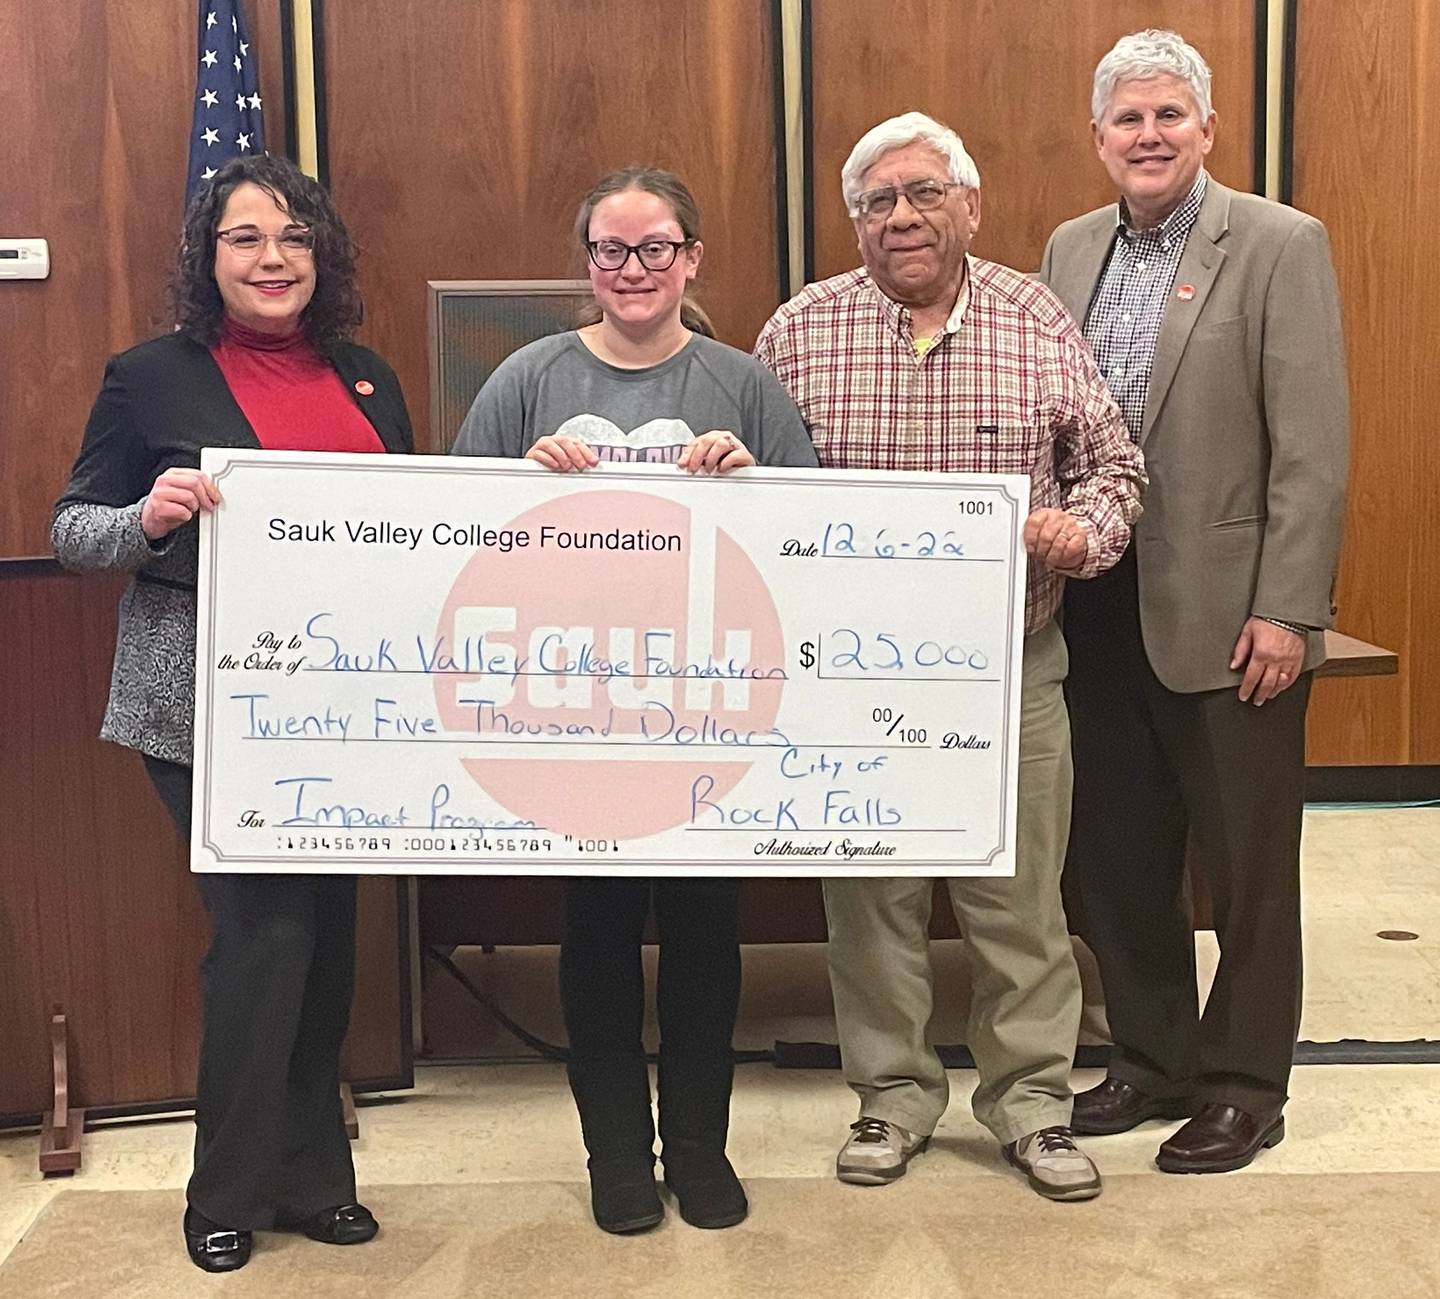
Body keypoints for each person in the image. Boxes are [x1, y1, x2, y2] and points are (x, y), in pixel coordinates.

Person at [756, 112, 1145, 1202]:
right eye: (876, 201)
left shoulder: (1034, 319)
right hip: (850, 686)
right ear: (855, 223)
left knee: (1019, 904)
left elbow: (1114, 467)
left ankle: (1031, 1106)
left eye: (924, 192)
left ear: (968, 205)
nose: (902, 217)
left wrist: (1085, 532)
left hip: (1008, 671)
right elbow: (751, 496)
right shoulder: (798, 333)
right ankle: (891, 1098)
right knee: (869, 907)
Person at [52, 154, 414, 1272]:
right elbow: (74, 531)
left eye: (295, 237)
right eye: (248, 237)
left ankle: (314, 1181)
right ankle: (227, 1191)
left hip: (343, 708)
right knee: (268, 937)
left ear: (323, 256)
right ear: (210, 258)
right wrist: (149, 518)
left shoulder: (367, 379)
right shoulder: (150, 376)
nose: (274, 258)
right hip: (202, 709)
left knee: (331, 941)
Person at [453, 166, 818, 1233]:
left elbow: (811, 540)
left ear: (692, 258)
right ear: (587, 266)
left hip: (711, 709)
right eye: (611, 250)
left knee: (708, 935)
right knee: (598, 936)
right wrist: (524, 484)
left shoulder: (744, 385)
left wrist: (753, 480)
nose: (634, 269)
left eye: (655, 247)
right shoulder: (524, 378)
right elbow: (455, 540)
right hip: (574, 717)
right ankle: (618, 1152)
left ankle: (700, 1147)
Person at [1039, 29, 1349, 1173]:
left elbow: (1312, 447)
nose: (1149, 135)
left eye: (1171, 115)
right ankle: (1154, 1057)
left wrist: (1290, 609)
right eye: (1128, 118)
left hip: (1230, 615)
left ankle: (1243, 1083)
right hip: (1095, 603)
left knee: (1248, 864)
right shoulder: (1068, 249)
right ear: (1099, 137)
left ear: (1208, 129)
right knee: (1117, 856)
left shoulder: (1276, 243)